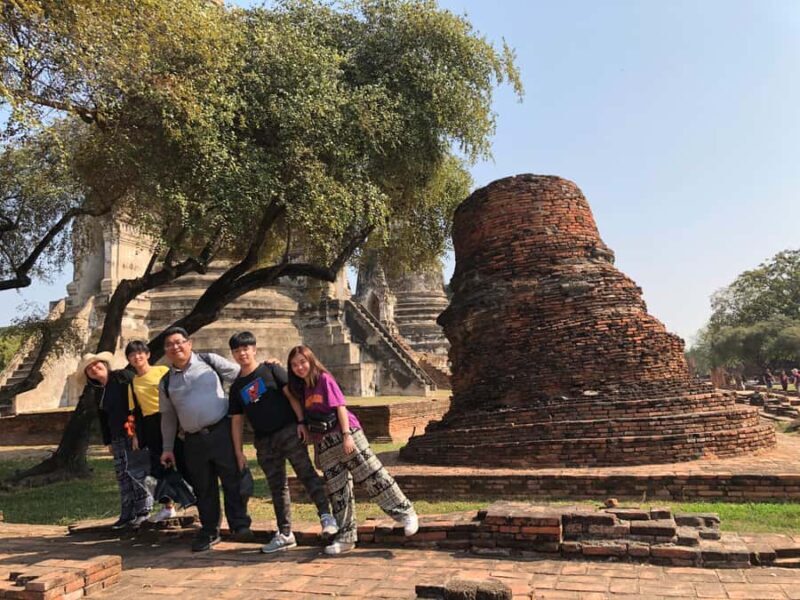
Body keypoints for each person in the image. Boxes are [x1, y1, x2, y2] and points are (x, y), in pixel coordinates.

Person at [287, 345, 418, 555]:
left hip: (345, 433)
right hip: (324, 442)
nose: (299, 367)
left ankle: (406, 512)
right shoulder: (302, 388)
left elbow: (340, 407)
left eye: (302, 362)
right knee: (338, 491)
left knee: (372, 474)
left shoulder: (324, 379)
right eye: (294, 365)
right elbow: (290, 396)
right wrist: (313, 444)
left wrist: (347, 436)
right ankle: (346, 537)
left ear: (311, 361)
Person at [228, 332, 338, 554]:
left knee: (307, 474)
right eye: (237, 350)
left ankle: (327, 517)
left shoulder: (270, 370)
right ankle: (285, 532)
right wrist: (238, 451)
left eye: (245, 349)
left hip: (288, 431)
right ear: (233, 354)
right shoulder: (237, 386)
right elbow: (237, 421)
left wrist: (301, 422)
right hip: (264, 441)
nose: (242, 354)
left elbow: (292, 396)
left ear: (254, 349)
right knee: (277, 487)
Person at [158, 326, 252, 552]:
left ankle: (239, 524)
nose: (175, 347)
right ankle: (210, 530)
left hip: (221, 431)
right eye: (169, 344)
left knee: (232, 479)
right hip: (192, 440)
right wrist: (167, 448)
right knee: (203, 487)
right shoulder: (166, 382)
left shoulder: (209, 361)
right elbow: (168, 417)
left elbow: (243, 375)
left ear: (189, 343)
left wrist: (267, 369)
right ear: (165, 351)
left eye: (179, 342)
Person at [77, 352, 153, 529]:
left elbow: (138, 402)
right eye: (89, 368)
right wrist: (108, 441)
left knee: (137, 471)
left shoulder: (121, 377)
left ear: (105, 364)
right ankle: (128, 512)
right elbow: (103, 418)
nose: (94, 369)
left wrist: (137, 433)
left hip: (133, 432)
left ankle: (143, 511)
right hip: (117, 436)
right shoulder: (99, 391)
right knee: (123, 474)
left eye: (97, 364)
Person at [126, 340, 186, 522]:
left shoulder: (162, 371)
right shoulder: (133, 382)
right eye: (132, 355)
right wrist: (135, 435)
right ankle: (168, 506)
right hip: (150, 424)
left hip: (170, 417)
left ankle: (192, 499)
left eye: (140, 353)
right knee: (158, 465)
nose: (137, 357)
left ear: (148, 355)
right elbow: (134, 412)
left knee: (182, 460)